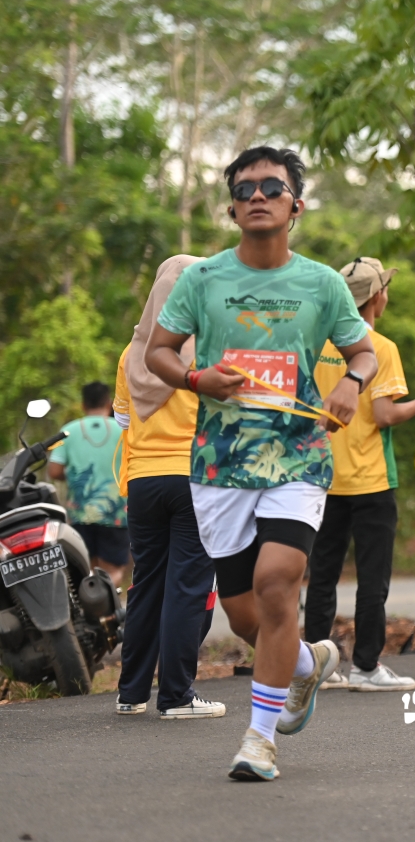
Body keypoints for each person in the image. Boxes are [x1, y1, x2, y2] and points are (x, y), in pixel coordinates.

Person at [146, 146, 373, 781]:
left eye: (272, 187)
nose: (257, 196)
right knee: (245, 614)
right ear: (231, 208)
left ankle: (259, 740)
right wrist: (196, 378)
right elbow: (158, 351)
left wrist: (350, 383)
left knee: (278, 585)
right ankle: (305, 663)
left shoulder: (322, 284)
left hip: (298, 456)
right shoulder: (202, 280)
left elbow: (363, 352)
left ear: (295, 206)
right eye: (245, 188)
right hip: (219, 465)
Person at [306, 257, 415, 692]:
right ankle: (366, 667)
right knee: (372, 579)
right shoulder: (378, 346)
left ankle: (316, 667)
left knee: (322, 576)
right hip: (370, 481)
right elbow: (384, 415)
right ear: (377, 297)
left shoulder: (315, 342)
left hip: (320, 477)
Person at [111, 255, 225, 720]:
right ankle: (177, 695)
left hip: (143, 481)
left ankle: (131, 692)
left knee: (146, 584)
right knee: (187, 585)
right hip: (194, 477)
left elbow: (122, 419)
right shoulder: (211, 344)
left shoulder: (133, 352)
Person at [48, 382, 130, 587]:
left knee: (87, 568)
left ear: (83, 404)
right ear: (109, 403)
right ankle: (106, 603)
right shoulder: (123, 430)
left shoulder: (68, 431)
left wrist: (75, 478)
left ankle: (91, 602)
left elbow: (54, 471)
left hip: (80, 513)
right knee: (113, 570)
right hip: (116, 513)